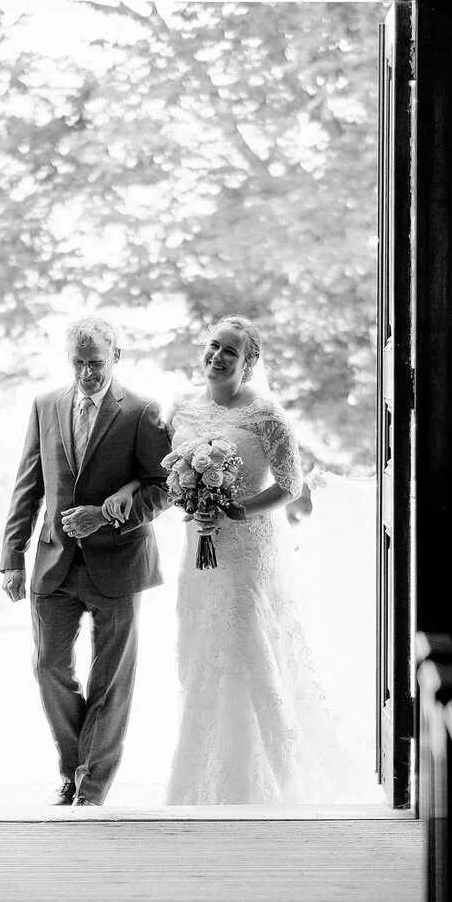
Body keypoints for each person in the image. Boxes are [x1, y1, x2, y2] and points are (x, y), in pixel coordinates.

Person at [106, 315, 367, 804]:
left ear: (248, 365)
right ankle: (202, 779)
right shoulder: (179, 409)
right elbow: (155, 475)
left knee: (248, 648)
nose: (217, 356)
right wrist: (161, 495)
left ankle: (273, 780)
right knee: (204, 650)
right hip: (199, 551)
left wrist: (233, 509)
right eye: (213, 345)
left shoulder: (267, 416)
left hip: (249, 553)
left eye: (231, 351)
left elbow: (289, 488)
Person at [0, 315, 172, 807]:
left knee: (110, 679)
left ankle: (90, 789)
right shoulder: (45, 404)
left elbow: (163, 490)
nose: (86, 374)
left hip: (119, 564)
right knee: (49, 667)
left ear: (116, 357)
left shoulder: (142, 411)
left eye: (95, 363)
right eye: (78, 363)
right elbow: (28, 484)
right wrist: (12, 555)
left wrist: (104, 518)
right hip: (53, 563)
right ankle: (74, 769)